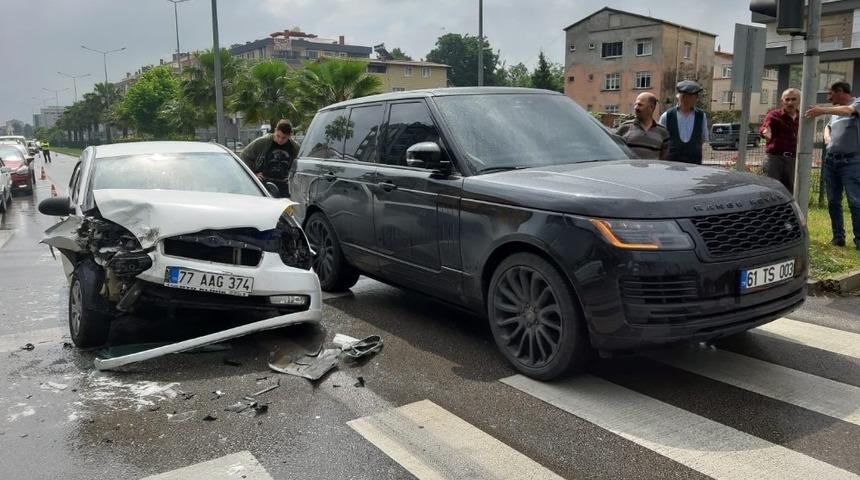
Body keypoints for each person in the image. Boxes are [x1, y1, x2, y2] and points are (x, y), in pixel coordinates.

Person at [805, 81, 860, 249]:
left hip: (851, 162)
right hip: (831, 162)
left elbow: (849, 111)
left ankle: (859, 240)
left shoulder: (856, 103)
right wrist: (828, 138)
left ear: (841, 91)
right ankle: (838, 238)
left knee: (855, 201)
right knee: (833, 201)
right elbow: (828, 127)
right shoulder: (834, 113)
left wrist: (821, 110)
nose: (829, 98)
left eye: (830, 94)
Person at [240, 119, 300, 198]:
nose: (280, 140)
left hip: (284, 187)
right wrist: (253, 173)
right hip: (264, 184)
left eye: (284, 138)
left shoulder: (295, 147)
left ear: (290, 135)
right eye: (278, 136)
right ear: (275, 130)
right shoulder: (263, 142)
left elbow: (300, 164)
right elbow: (244, 155)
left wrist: (292, 176)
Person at [759, 88, 801, 194]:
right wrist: (766, 132)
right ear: (782, 101)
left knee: (791, 192)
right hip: (774, 159)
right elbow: (765, 126)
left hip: (793, 160)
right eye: (787, 100)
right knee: (770, 190)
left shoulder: (802, 118)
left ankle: (787, 211)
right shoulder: (774, 115)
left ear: (799, 101)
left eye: (793, 99)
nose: (790, 102)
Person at [659, 80, 709, 164]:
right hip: (672, 164)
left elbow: (703, 138)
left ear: (696, 98)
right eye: (683, 96)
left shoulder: (701, 116)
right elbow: (660, 140)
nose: (685, 100)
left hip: (694, 163)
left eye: (689, 97)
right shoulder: (667, 115)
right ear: (678, 97)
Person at [615, 92, 669, 160]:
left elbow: (664, 160)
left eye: (640, 105)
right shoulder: (624, 128)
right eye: (635, 104)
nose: (636, 108)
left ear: (651, 107)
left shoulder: (663, 132)